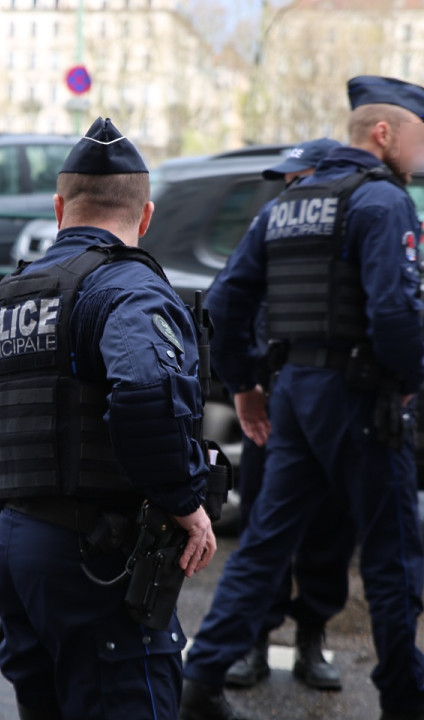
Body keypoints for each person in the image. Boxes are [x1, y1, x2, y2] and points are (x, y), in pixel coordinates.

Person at [0, 117, 217, 720]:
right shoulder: (129, 288)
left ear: (58, 208)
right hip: (94, 554)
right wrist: (185, 502)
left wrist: (4, 538)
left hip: (18, 549)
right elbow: (146, 393)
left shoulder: (4, 301)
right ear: (145, 217)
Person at [180, 75, 424, 720]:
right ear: (384, 133)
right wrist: (409, 383)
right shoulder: (384, 201)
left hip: (292, 396)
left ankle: (199, 682)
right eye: (419, 139)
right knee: (394, 559)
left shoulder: (287, 205)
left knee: (264, 544)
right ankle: (405, 701)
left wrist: (244, 386)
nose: (420, 155)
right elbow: (396, 315)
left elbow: (225, 302)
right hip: (364, 400)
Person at [211, 138, 352, 692]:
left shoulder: (354, 222)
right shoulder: (272, 224)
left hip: (335, 398)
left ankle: (312, 635)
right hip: (274, 397)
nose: (291, 190)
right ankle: (255, 640)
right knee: (264, 525)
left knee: (331, 526)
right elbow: (230, 303)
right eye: (288, 181)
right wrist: (244, 384)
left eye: (300, 178)